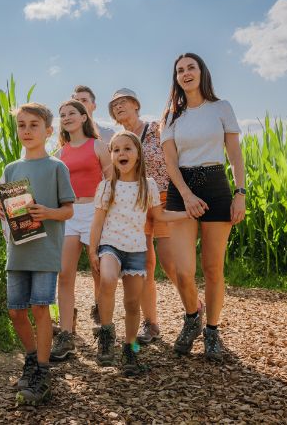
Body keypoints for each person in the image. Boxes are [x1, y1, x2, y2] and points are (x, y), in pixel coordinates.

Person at [161, 53, 246, 361]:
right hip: (181, 188)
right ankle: (191, 318)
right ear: (176, 78)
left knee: (212, 268)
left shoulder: (221, 108)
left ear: (201, 72)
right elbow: (170, 162)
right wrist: (185, 194)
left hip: (216, 185)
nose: (185, 73)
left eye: (191, 67)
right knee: (183, 271)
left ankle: (212, 331)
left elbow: (235, 155)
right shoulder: (171, 115)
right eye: (180, 70)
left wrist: (240, 193)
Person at [0, 103, 75, 405]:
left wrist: (49, 212)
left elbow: (68, 210)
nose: (27, 131)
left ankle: (42, 370)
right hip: (18, 250)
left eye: (34, 125)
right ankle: (31, 357)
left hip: (45, 251)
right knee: (15, 310)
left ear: (49, 131)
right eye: (22, 125)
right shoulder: (11, 170)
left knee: (40, 308)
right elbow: (7, 209)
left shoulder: (57, 167)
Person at [89, 131, 188, 376]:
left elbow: (159, 216)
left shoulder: (148, 185)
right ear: (111, 156)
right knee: (109, 280)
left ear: (138, 154)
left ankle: (130, 350)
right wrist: (93, 250)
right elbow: (97, 223)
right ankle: (106, 333)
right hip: (110, 245)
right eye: (116, 149)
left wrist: (187, 213)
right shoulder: (106, 186)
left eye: (127, 148)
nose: (122, 153)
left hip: (136, 250)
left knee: (133, 304)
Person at [107, 88, 181, 344]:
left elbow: (175, 159)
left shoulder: (156, 129)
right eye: (114, 105)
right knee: (144, 268)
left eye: (123, 102)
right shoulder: (119, 141)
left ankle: (195, 310)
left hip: (163, 199)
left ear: (136, 105)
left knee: (171, 263)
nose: (118, 107)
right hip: (136, 205)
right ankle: (151, 324)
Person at [50, 99, 112, 361]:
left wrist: (107, 213)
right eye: (62, 114)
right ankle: (66, 335)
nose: (66, 117)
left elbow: (111, 181)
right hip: (71, 214)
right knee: (64, 274)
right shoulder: (60, 153)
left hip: (95, 212)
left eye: (71, 113)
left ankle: (105, 332)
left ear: (84, 117)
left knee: (100, 272)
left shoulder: (98, 146)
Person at [71, 85, 115, 325]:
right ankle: (70, 314)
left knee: (97, 262)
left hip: (98, 206)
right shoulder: (66, 135)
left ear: (93, 106)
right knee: (66, 267)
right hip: (73, 207)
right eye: (75, 100)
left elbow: (113, 171)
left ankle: (101, 308)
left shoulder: (107, 135)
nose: (79, 103)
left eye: (84, 100)